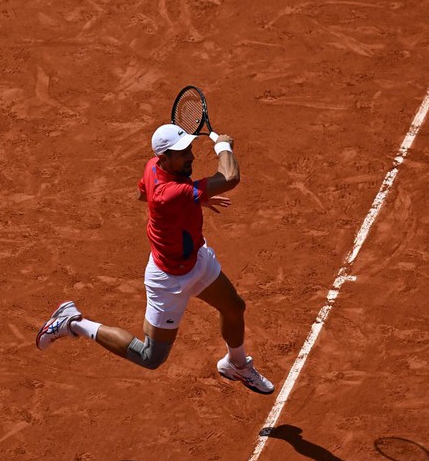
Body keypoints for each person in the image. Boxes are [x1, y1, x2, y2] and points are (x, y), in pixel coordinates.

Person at [36, 124, 274, 395]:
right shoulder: (171, 192)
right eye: (182, 154)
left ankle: (236, 363)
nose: (191, 157)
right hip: (169, 280)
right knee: (150, 357)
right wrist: (223, 145)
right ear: (164, 158)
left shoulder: (152, 167)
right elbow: (230, 177)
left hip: (197, 260)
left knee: (233, 308)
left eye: (189, 150)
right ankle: (72, 322)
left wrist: (191, 203)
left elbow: (142, 194)